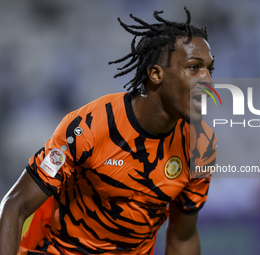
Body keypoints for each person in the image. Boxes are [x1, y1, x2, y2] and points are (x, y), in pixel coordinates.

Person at [0, 7, 217, 255]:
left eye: (209, 69)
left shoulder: (200, 146)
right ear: (156, 73)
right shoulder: (88, 127)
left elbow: (183, 236)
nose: (207, 80)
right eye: (193, 67)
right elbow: (15, 207)